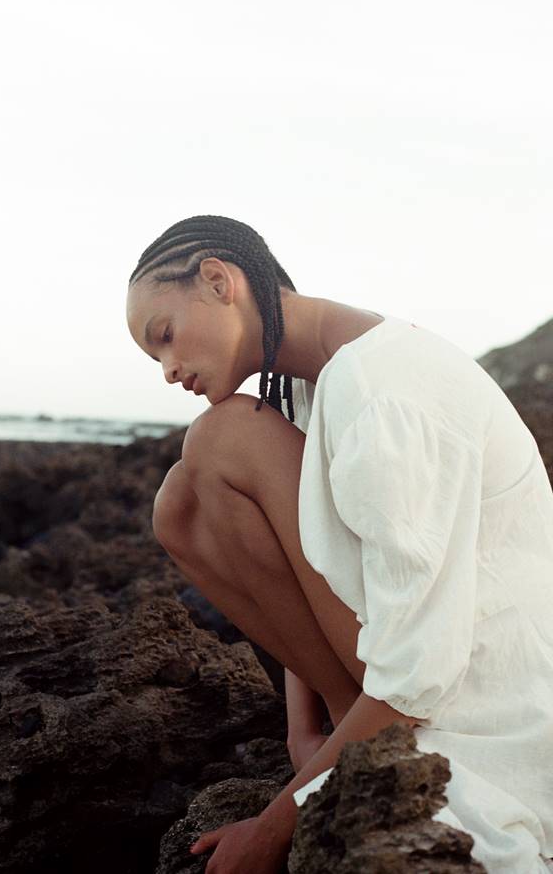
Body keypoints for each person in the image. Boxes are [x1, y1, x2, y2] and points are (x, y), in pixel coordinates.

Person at [126, 214, 553, 874]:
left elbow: (418, 674)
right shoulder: (312, 377)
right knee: (178, 505)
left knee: (222, 440)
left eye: (165, 336)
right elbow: (318, 553)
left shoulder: (383, 389)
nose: (168, 368)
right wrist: (303, 732)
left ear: (218, 281)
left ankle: (362, 730)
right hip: (424, 662)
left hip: (485, 697)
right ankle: (345, 716)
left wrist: (274, 826)